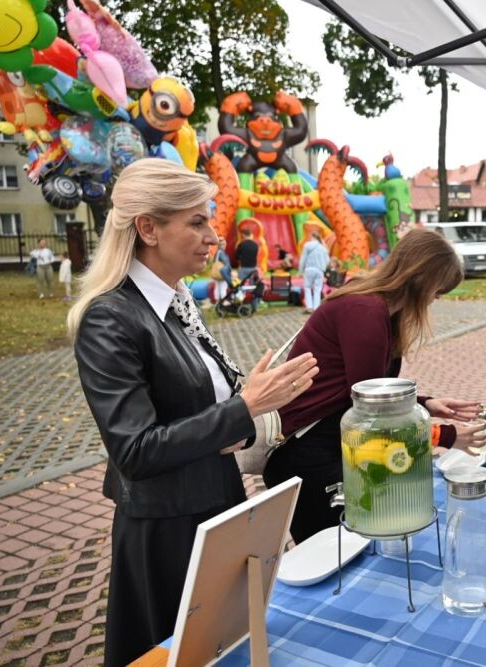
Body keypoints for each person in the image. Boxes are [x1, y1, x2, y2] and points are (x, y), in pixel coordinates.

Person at [66, 159, 319, 667]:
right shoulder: (110, 318)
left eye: (211, 221)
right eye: (197, 222)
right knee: (178, 652)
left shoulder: (176, 301)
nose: (214, 237)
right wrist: (246, 407)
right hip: (167, 528)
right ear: (148, 228)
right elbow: (135, 450)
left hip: (215, 506)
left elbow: (200, 408)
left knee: (223, 645)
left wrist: (246, 415)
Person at [262, 228, 486, 542]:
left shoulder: (379, 309)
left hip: (331, 445)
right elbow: (373, 414)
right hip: (309, 455)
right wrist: (444, 436)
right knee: (339, 552)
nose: (436, 299)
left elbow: (374, 392)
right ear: (422, 279)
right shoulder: (365, 312)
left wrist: (426, 403)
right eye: (439, 290)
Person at [299, 231, 330, 313]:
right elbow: (327, 261)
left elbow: (303, 259)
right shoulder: (323, 248)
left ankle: (309, 307)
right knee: (317, 289)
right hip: (319, 270)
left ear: (312, 237)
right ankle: (316, 307)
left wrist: (300, 270)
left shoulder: (307, 246)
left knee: (307, 288)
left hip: (309, 269)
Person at [213, 236, 233, 302]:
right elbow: (226, 263)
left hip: (216, 273)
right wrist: (230, 271)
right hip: (222, 273)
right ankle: (223, 302)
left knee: (217, 287)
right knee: (223, 287)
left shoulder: (217, 252)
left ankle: (217, 302)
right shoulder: (221, 253)